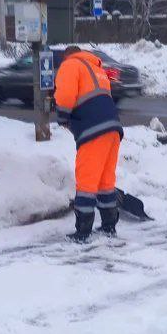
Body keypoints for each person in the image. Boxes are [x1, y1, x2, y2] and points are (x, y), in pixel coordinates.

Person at [54, 46, 124, 243]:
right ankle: (109, 226)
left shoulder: (70, 65)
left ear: (67, 55)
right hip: (113, 129)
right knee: (105, 182)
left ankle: (83, 231)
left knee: (86, 181)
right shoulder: (97, 69)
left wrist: (62, 116)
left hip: (93, 130)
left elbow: (66, 94)